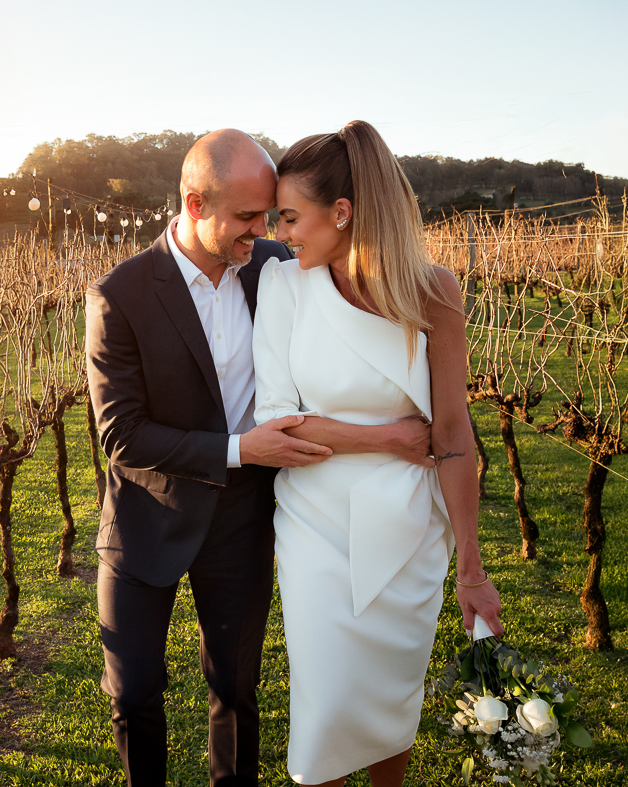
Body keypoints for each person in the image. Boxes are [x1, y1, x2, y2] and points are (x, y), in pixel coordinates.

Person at [85, 128, 435, 787]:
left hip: (242, 521)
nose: (264, 229)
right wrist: (242, 447)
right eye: (248, 216)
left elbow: (356, 274)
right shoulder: (119, 294)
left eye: (271, 214)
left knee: (236, 693)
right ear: (194, 204)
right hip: (146, 520)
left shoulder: (280, 269)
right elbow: (123, 434)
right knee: (132, 693)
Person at [251, 120, 505, 787]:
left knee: (393, 704)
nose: (282, 232)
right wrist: (386, 437)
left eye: (292, 216)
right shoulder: (283, 288)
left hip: (409, 531)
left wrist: (472, 569)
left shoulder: (434, 292)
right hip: (316, 524)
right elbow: (277, 423)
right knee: (326, 710)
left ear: (342, 212)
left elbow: (452, 431)